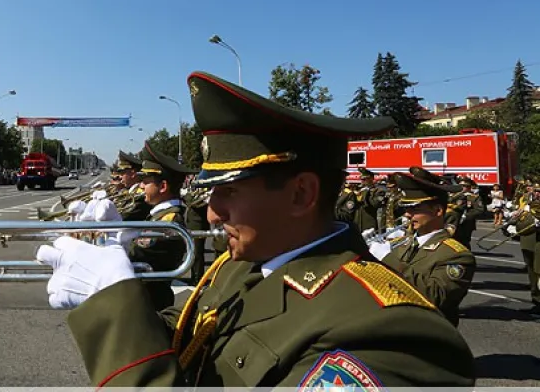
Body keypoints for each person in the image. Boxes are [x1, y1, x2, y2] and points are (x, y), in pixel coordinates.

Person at [36, 71, 476, 388]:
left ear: (301, 194)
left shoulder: (390, 332)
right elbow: (189, 339)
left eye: (227, 191)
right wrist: (121, 300)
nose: (211, 214)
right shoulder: (238, 267)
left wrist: (116, 321)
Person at [376, 166, 476, 326]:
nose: (408, 214)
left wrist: (387, 258)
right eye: (407, 208)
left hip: (428, 335)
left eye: (415, 208)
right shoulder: (403, 244)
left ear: (437, 210)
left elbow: (436, 296)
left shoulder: (456, 255)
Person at [128, 141, 195, 310]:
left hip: (152, 303)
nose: (141, 186)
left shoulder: (170, 220)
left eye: (146, 181)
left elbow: (136, 253)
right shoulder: (160, 215)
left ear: (163, 186)